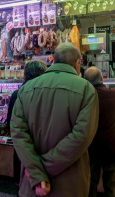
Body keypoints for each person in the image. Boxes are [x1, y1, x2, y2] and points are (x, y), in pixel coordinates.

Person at [10, 43, 99, 197]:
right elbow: (81, 136)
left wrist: (37, 172)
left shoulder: (26, 89)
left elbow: (18, 133)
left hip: (34, 185)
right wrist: (44, 169)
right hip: (70, 185)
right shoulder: (86, 89)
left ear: (53, 61)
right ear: (77, 63)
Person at [84, 66, 115, 197]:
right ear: (102, 79)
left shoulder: (83, 97)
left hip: (91, 147)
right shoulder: (114, 94)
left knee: (90, 182)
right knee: (110, 184)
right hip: (111, 146)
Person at [7, 60, 47, 186]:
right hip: (41, 143)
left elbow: (10, 122)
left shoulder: (17, 93)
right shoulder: (45, 93)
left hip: (21, 145)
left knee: (22, 181)